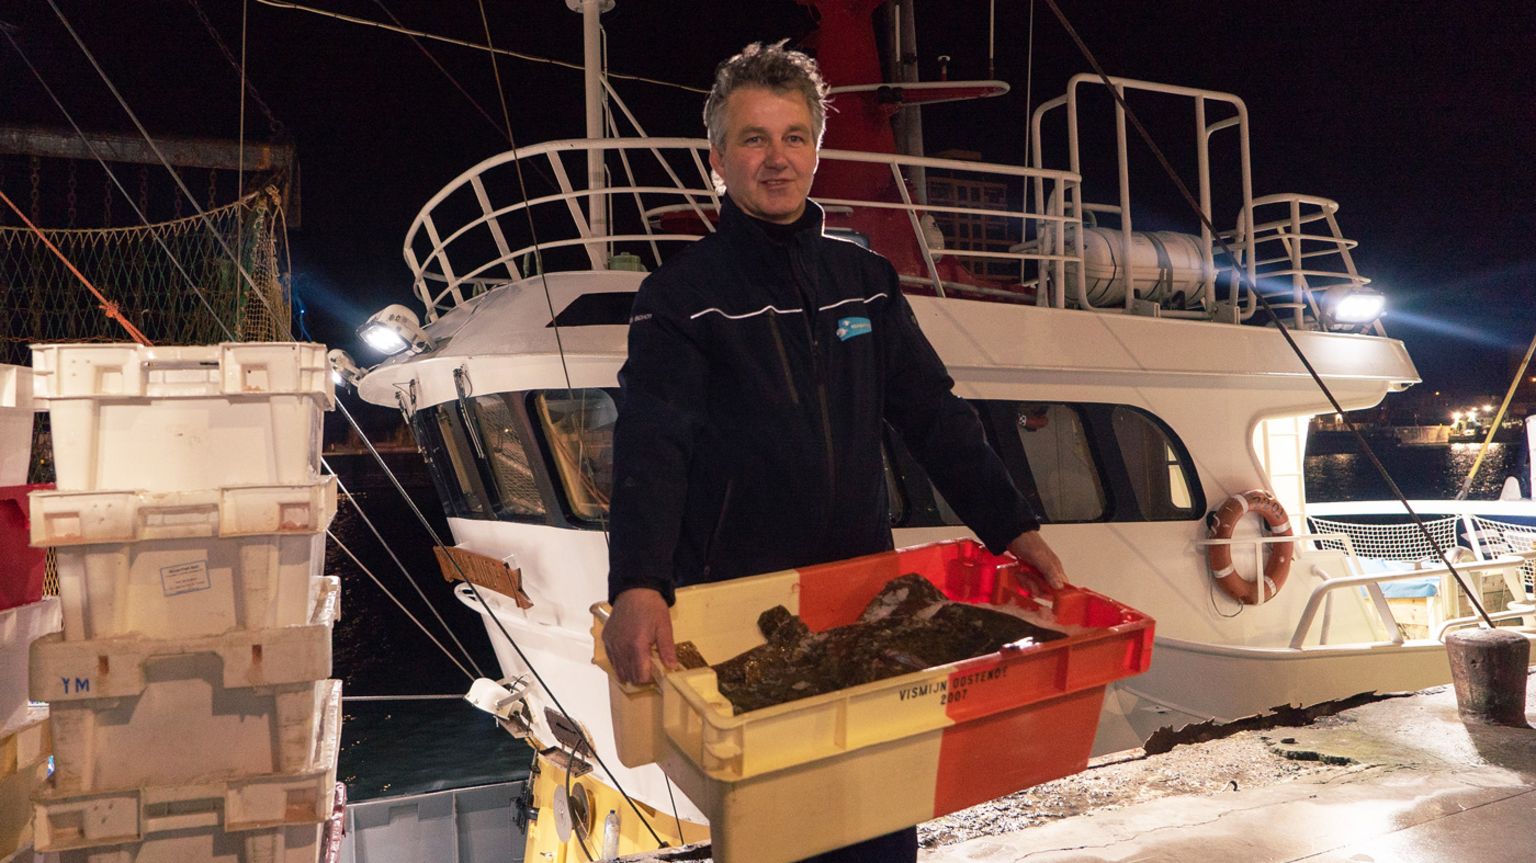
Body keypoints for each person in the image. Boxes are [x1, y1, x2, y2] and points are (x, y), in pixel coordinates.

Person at [602, 41, 1067, 862]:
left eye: (793, 137)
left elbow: (933, 416)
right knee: (774, 828)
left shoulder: (867, 279)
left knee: (881, 820)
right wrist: (640, 582)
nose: (776, 159)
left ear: (816, 150)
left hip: (860, 592)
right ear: (718, 158)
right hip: (745, 606)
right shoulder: (680, 298)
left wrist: (1014, 527)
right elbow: (653, 447)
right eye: (754, 138)